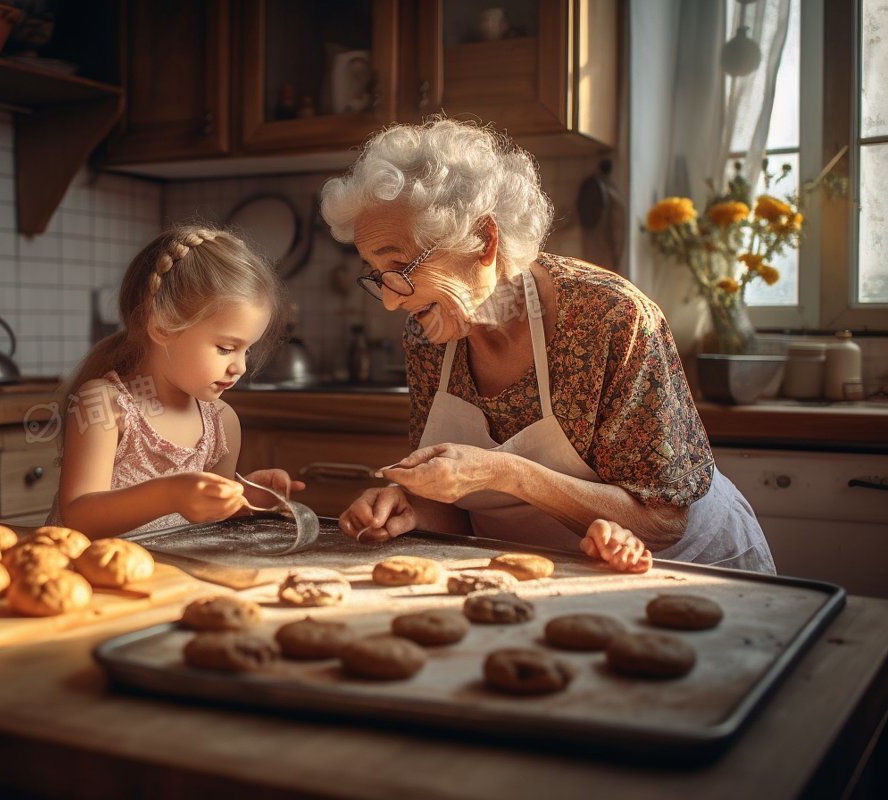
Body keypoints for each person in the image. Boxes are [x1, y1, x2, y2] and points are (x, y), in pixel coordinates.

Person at [319, 118, 775, 574]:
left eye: (400, 267)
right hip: (550, 575)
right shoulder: (429, 334)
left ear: (484, 239)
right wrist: (410, 508)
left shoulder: (610, 318)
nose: (391, 300)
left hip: (690, 572)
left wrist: (505, 471)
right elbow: (456, 506)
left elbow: (660, 521)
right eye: (378, 277)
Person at [49, 225, 302, 538]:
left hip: (171, 579)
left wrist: (245, 498)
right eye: (226, 348)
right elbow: (79, 516)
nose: (239, 366)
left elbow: (211, 525)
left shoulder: (222, 422)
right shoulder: (104, 405)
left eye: (246, 350)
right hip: (90, 577)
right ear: (163, 328)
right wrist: (171, 495)